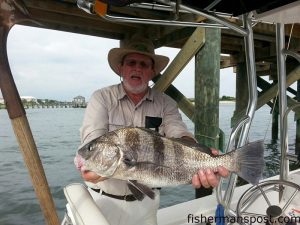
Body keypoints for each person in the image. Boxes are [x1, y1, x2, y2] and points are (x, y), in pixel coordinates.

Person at [76, 36, 229, 225]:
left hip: (147, 203)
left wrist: (198, 154)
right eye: (131, 62)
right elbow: (93, 136)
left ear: (152, 71)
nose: (137, 68)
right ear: (121, 68)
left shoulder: (166, 103)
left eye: (144, 64)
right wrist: (94, 162)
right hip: (103, 201)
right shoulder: (102, 98)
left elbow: (178, 132)